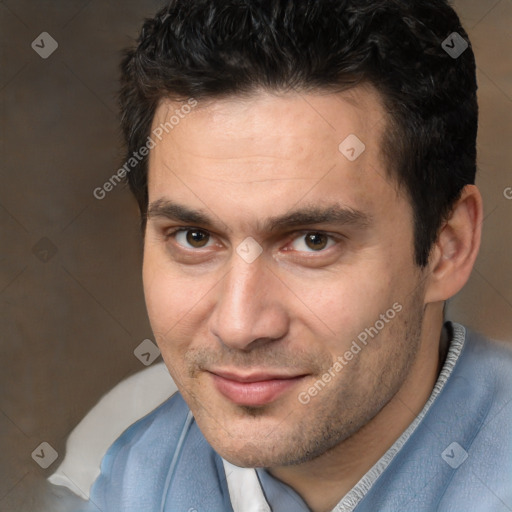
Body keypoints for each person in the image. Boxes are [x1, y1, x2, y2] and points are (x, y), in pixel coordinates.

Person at [85, 1, 512, 510]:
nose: (240, 325)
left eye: (313, 241)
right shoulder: (126, 478)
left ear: (448, 246)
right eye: (194, 238)